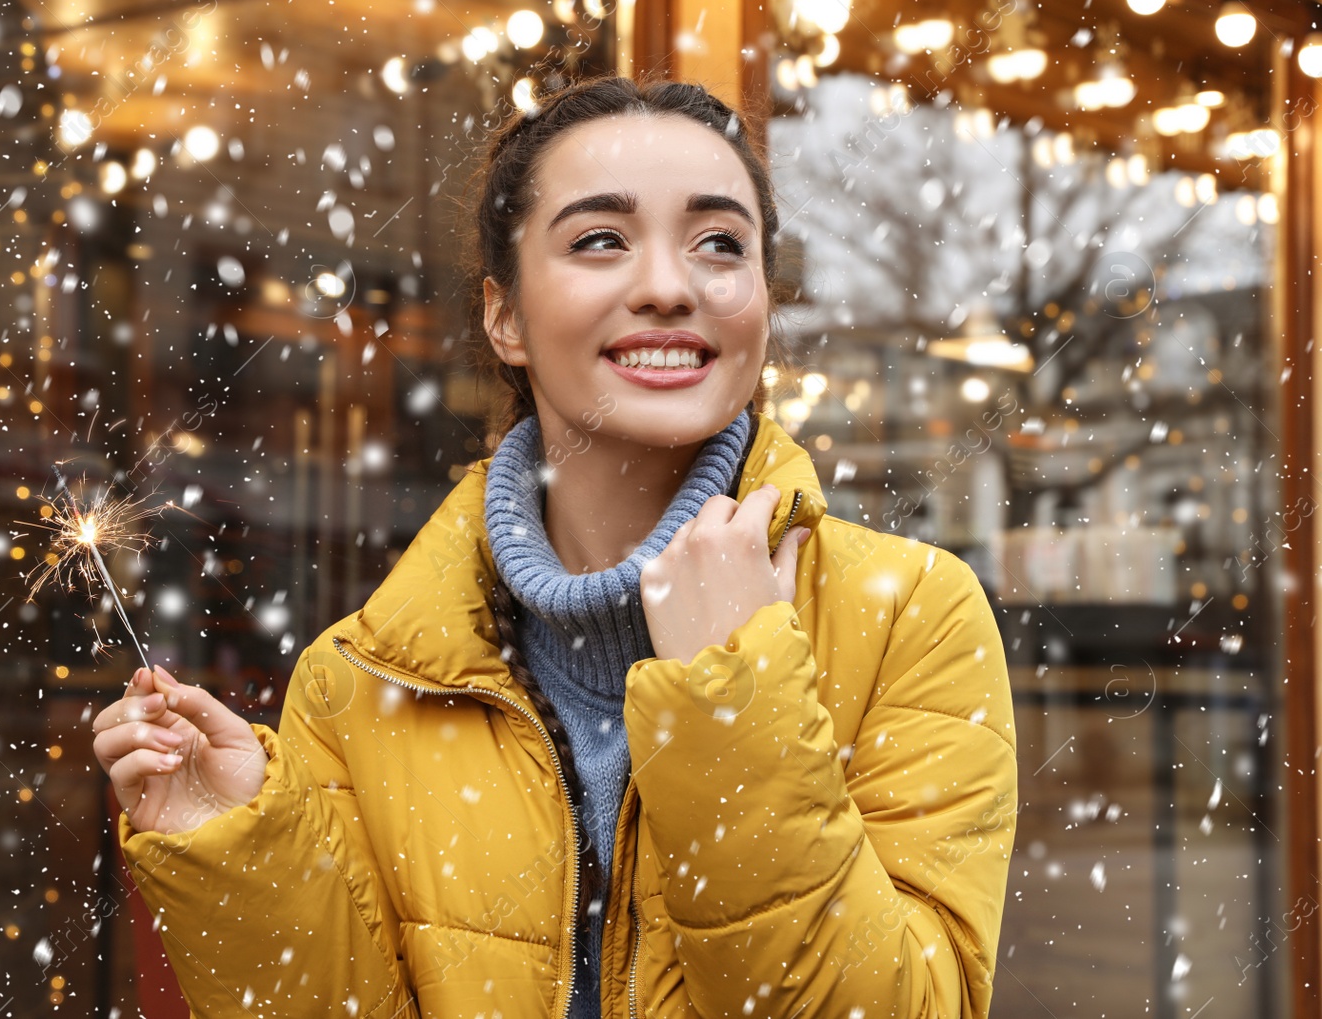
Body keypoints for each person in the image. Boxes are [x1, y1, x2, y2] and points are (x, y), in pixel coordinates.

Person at [91, 76, 1018, 1018]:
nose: (668, 285)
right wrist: (245, 856)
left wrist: (739, 695)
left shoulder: (910, 615)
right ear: (505, 317)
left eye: (720, 244)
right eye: (600, 240)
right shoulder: (355, 681)